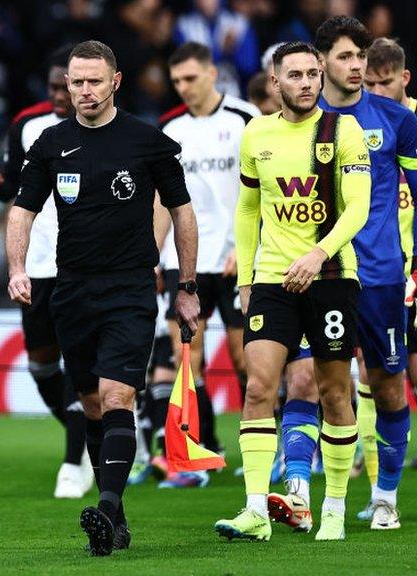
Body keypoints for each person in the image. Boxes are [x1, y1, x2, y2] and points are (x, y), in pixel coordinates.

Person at [7, 40, 199, 556]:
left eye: (94, 81)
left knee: (118, 397)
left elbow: (182, 211)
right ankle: (117, 517)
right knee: (92, 404)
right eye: (76, 82)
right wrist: (17, 267)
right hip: (71, 290)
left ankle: (107, 507)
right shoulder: (50, 143)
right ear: (66, 85)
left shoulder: (146, 140)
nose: (84, 90)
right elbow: (21, 211)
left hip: (131, 287)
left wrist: (186, 285)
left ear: (115, 81)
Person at [214, 41, 371, 543]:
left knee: (333, 391)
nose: (305, 82)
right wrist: (244, 279)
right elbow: (247, 209)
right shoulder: (256, 132)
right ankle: (256, 509)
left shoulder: (343, 132)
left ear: (321, 75)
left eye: (311, 73)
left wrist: (319, 253)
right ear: (274, 82)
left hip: (330, 278)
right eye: (295, 75)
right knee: (259, 387)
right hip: (272, 280)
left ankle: (334, 508)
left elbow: (358, 209)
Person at [268, 17, 417, 534]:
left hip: (378, 278)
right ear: (322, 61)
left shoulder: (396, 119)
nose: (357, 67)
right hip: (316, 275)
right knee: (305, 380)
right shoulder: (298, 121)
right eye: (347, 58)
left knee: (388, 388)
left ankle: (384, 498)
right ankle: (298, 494)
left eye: (362, 58)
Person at [0, 44, 93, 500]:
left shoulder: (104, 130)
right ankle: (90, 435)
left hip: (83, 267)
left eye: (67, 85)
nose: (60, 95)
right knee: (41, 365)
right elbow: (15, 184)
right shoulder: (27, 124)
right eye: (53, 87)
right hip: (37, 265)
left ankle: (73, 461)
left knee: (79, 362)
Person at [153, 41, 259, 488]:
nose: (184, 87)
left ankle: (263, 447)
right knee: (186, 357)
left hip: (236, 256)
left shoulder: (245, 118)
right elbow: (161, 198)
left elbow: (265, 188)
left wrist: (249, 247)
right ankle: (201, 450)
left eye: (191, 78)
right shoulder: (168, 127)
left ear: (213, 73)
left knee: (245, 357)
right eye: (177, 80)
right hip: (186, 259)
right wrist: (152, 255)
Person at [362, 38, 417, 473]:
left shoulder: (409, 122)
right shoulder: (356, 123)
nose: (377, 92)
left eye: (386, 83)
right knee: (373, 373)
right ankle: (368, 461)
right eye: (370, 83)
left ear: (405, 78)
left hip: (410, 265)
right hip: (383, 267)